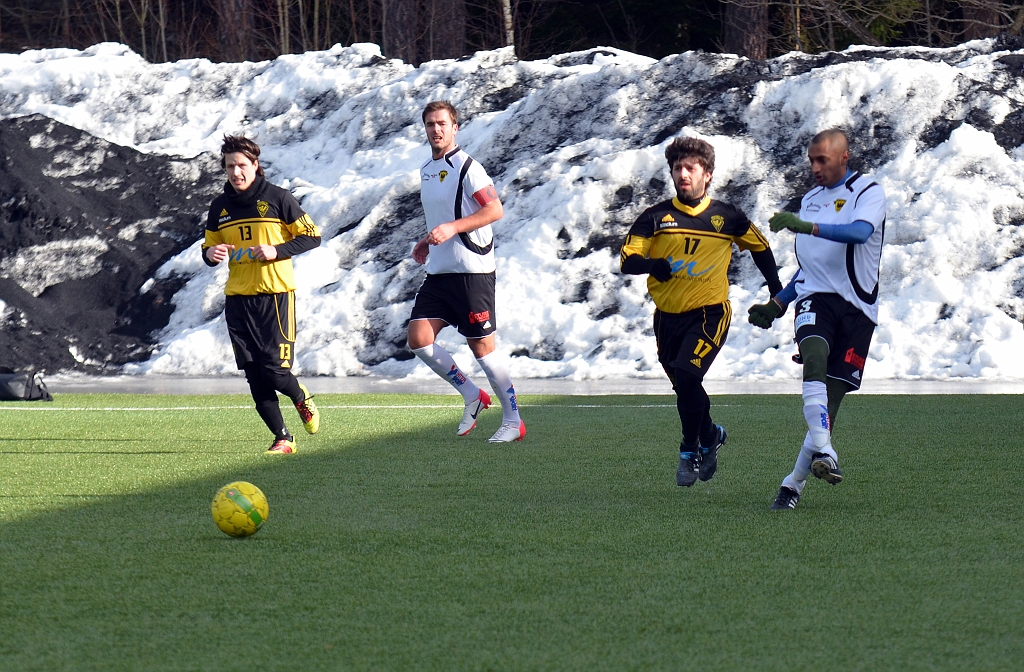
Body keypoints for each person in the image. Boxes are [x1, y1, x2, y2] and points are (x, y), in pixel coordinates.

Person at [620, 136, 783, 486]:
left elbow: (761, 247)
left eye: (690, 168)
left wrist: (776, 289)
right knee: (685, 386)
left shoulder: (726, 217)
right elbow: (626, 260)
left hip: (710, 313)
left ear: (707, 174)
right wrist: (652, 264)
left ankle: (688, 449)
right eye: (677, 168)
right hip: (667, 318)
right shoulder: (655, 217)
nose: (683, 174)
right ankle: (711, 436)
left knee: (689, 376)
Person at [748, 128, 886, 510]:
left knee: (830, 405)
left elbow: (859, 234)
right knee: (814, 357)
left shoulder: (868, 192)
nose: (814, 167)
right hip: (815, 303)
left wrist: (808, 227)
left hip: (857, 311)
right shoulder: (809, 200)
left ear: (844, 157)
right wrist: (778, 303)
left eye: (822, 159)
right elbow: (809, 268)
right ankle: (827, 453)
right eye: (811, 160)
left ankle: (792, 484)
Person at [407, 101, 525, 443]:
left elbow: (494, 209)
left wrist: (453, 228)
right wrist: (427, 241)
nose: (436, 129)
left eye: (442, 123)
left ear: (455, 127)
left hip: (473, 273)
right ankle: (472, 395)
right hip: (440, 272)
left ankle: (514, 420)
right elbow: (442, 217)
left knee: (483, 348)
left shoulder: (469, 167)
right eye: (430, 124)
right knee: (418, 338)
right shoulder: (426, 169)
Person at [203, 134, 321, 454]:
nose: (235, 172)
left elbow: (312, 237)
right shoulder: (220, 207)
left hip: (275, 297)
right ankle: (283, 437)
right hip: (237, 300)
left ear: (256, 165)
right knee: (255, 375)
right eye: (230, 166)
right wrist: (211, 254)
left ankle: (300, 397)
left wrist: (277, 250)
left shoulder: (279, 198)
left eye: (242, 165)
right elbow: (209, 247)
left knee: (276, 372)